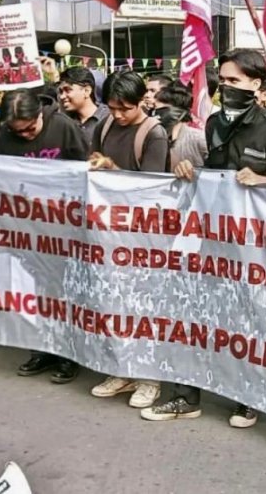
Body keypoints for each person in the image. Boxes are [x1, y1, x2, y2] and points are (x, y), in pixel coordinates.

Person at [142, 48, 266, 426]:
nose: (226, 87)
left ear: (256, 84)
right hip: (211, 238)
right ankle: (186, 396)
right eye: (224, 80)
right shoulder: (213, 123)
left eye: (235, 81)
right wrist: (188, 169)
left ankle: (249, 397)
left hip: (255, 248)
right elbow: (212, 175)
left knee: (249, 321)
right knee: (192, 315)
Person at [0, 88, 88, 382]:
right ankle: (41, 349)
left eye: (31, 129)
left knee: (64, 292)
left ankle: (69, 355)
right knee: (35, 291)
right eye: (20, 132)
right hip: (27, 229)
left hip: (64, 227)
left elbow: (86, 170)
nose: (27, 136)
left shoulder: (63, 127)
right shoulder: (6, 135)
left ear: (40, 116)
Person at [88, 71, 169, 408]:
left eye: (125, 109)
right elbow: (92, 164)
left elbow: (150, 187)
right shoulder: (103, 127)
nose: (119, 115)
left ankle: (150, 377)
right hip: (109, 230)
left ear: (141, 103)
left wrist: (113, 171)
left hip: (143, 235)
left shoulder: (154, 133)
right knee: (113, 303)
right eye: (113, 108)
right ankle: (122, 368)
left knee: (144, 306)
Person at [153, 82, 207, 169]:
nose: (155, 114)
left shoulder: (199, 140)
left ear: (176, 112)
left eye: (161, 110)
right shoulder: (152, 139)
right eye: (154, 109)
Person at [58, 66, 109, 143]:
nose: (62, 96)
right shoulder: (65, 121)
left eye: (68, 90)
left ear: (86, 91)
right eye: (61, 91)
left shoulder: (109, 118)